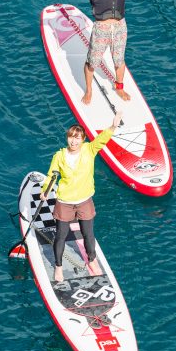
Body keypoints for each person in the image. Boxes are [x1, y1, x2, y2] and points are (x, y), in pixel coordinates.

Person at [40, 109, 123, 282]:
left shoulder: (89, 150)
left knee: (88, 234)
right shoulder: (59, 156)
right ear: (67, 138)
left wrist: (113, 126)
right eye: (71, 136)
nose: (74, 140)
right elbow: (51, 176)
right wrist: (45, 191)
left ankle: (92, 261)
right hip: (65, 201)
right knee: (61, 235)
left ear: (83, 139)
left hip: (85, 200)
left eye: (78, 137)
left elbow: (102, 139)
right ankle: (58, 267)